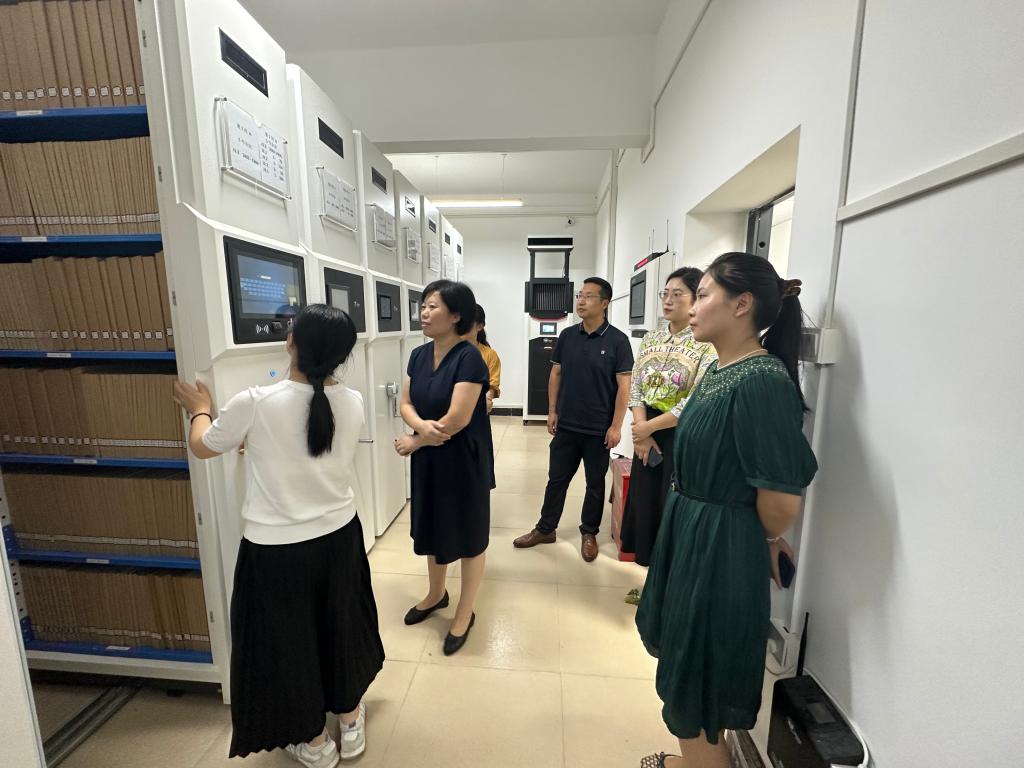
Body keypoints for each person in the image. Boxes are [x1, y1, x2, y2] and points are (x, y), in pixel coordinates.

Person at [172, 304, 384, 767]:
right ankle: (350, 720)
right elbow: (309, 443)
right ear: (343, 356)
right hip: (340, 537)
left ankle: (314, 742)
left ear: (291, 343)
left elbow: (203, 446)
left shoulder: (255, 402)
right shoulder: (353, 401)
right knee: (341, 626)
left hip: (276, 551)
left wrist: (200, 410)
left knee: (289, 642)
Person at [635, 253, 818, 768]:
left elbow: (780, 499)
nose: (691, 307)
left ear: (742, 305)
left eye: (703, 294)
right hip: (694, 529)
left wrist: (760, 538)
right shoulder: (720, 367)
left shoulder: (760, 380)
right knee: (687, 659)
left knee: (699, 674)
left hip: (719, 545)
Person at [394, 280, 494, 656]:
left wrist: (414, 440)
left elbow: (458, 418)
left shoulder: (470, 358)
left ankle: (465, 612)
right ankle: (436, 594)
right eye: (423, 305)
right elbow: (405, 402)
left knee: (469, 536)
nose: (424, 312)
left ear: (455, 316)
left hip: (463, 459)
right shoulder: (418, 355)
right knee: (434, 526)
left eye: (433, 306)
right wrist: (421, 430)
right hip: (430, 459)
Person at [513, 277, 633, 563]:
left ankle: (589, 532)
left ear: (605, 303)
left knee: (595, 484)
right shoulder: (567, 336)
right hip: (567, 424)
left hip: (598, 429)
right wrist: (552, 411)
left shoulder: (618, 341)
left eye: (589, 296)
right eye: (580, 295)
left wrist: (616, 426)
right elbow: (555, 374)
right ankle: (546, 528)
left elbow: (624, 386)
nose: (581, 300)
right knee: (556, 479)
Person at [622, 267, 715, 605]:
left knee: (671, 510)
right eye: (665, 293)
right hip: (646, 435)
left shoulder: (706, 343)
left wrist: (649, 428)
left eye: (678, 294)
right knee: (646, 508)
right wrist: (641, 431)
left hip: (678, 437)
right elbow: (636, 386)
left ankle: (671, 590)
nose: (669, 300)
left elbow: (696, 399)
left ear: (696, 299)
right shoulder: (651, 338)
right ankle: (651, 585)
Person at [466, 303, 501, 413]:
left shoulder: (490, 354)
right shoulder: (448, 351)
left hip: (478, 410)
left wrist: (487, 399)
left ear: (479, 326)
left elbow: (492, 385)